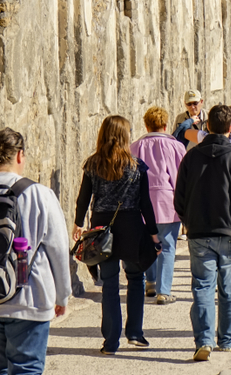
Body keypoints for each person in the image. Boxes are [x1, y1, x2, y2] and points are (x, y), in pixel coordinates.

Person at [174, 105, 231, 361]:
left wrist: (189, 221)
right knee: (229, 289)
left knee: (202, 287)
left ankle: (204, 340)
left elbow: (179, 198)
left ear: (207, 127)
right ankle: (227, 339)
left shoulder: (191, 157)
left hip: (200, 232)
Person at [73, 116, 160, 355]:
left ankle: (110, 342)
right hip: (131, 226)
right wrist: (153, 234)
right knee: (135, 279)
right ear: (125, 136)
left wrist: (78, 224)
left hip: (102, 228)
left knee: (109, 284)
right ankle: (135, 333)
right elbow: (145, 204)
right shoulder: (136, 166)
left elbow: (84, 198)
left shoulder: (92, 164)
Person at [0, 128, 71, 373]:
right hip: (30, 298)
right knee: (26, 368)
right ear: (20, 156)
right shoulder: (40, 195)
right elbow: (59, 250)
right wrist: (62, 295)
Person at [130, 107, 186, 305]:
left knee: (147, 243)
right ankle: (164, 290)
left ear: (146, 125)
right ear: (165, 125)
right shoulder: (176, 146)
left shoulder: (135, 147)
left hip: (142, 202)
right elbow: (181, 175)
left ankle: (151, 281)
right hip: (168, 200)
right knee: (168, 245)